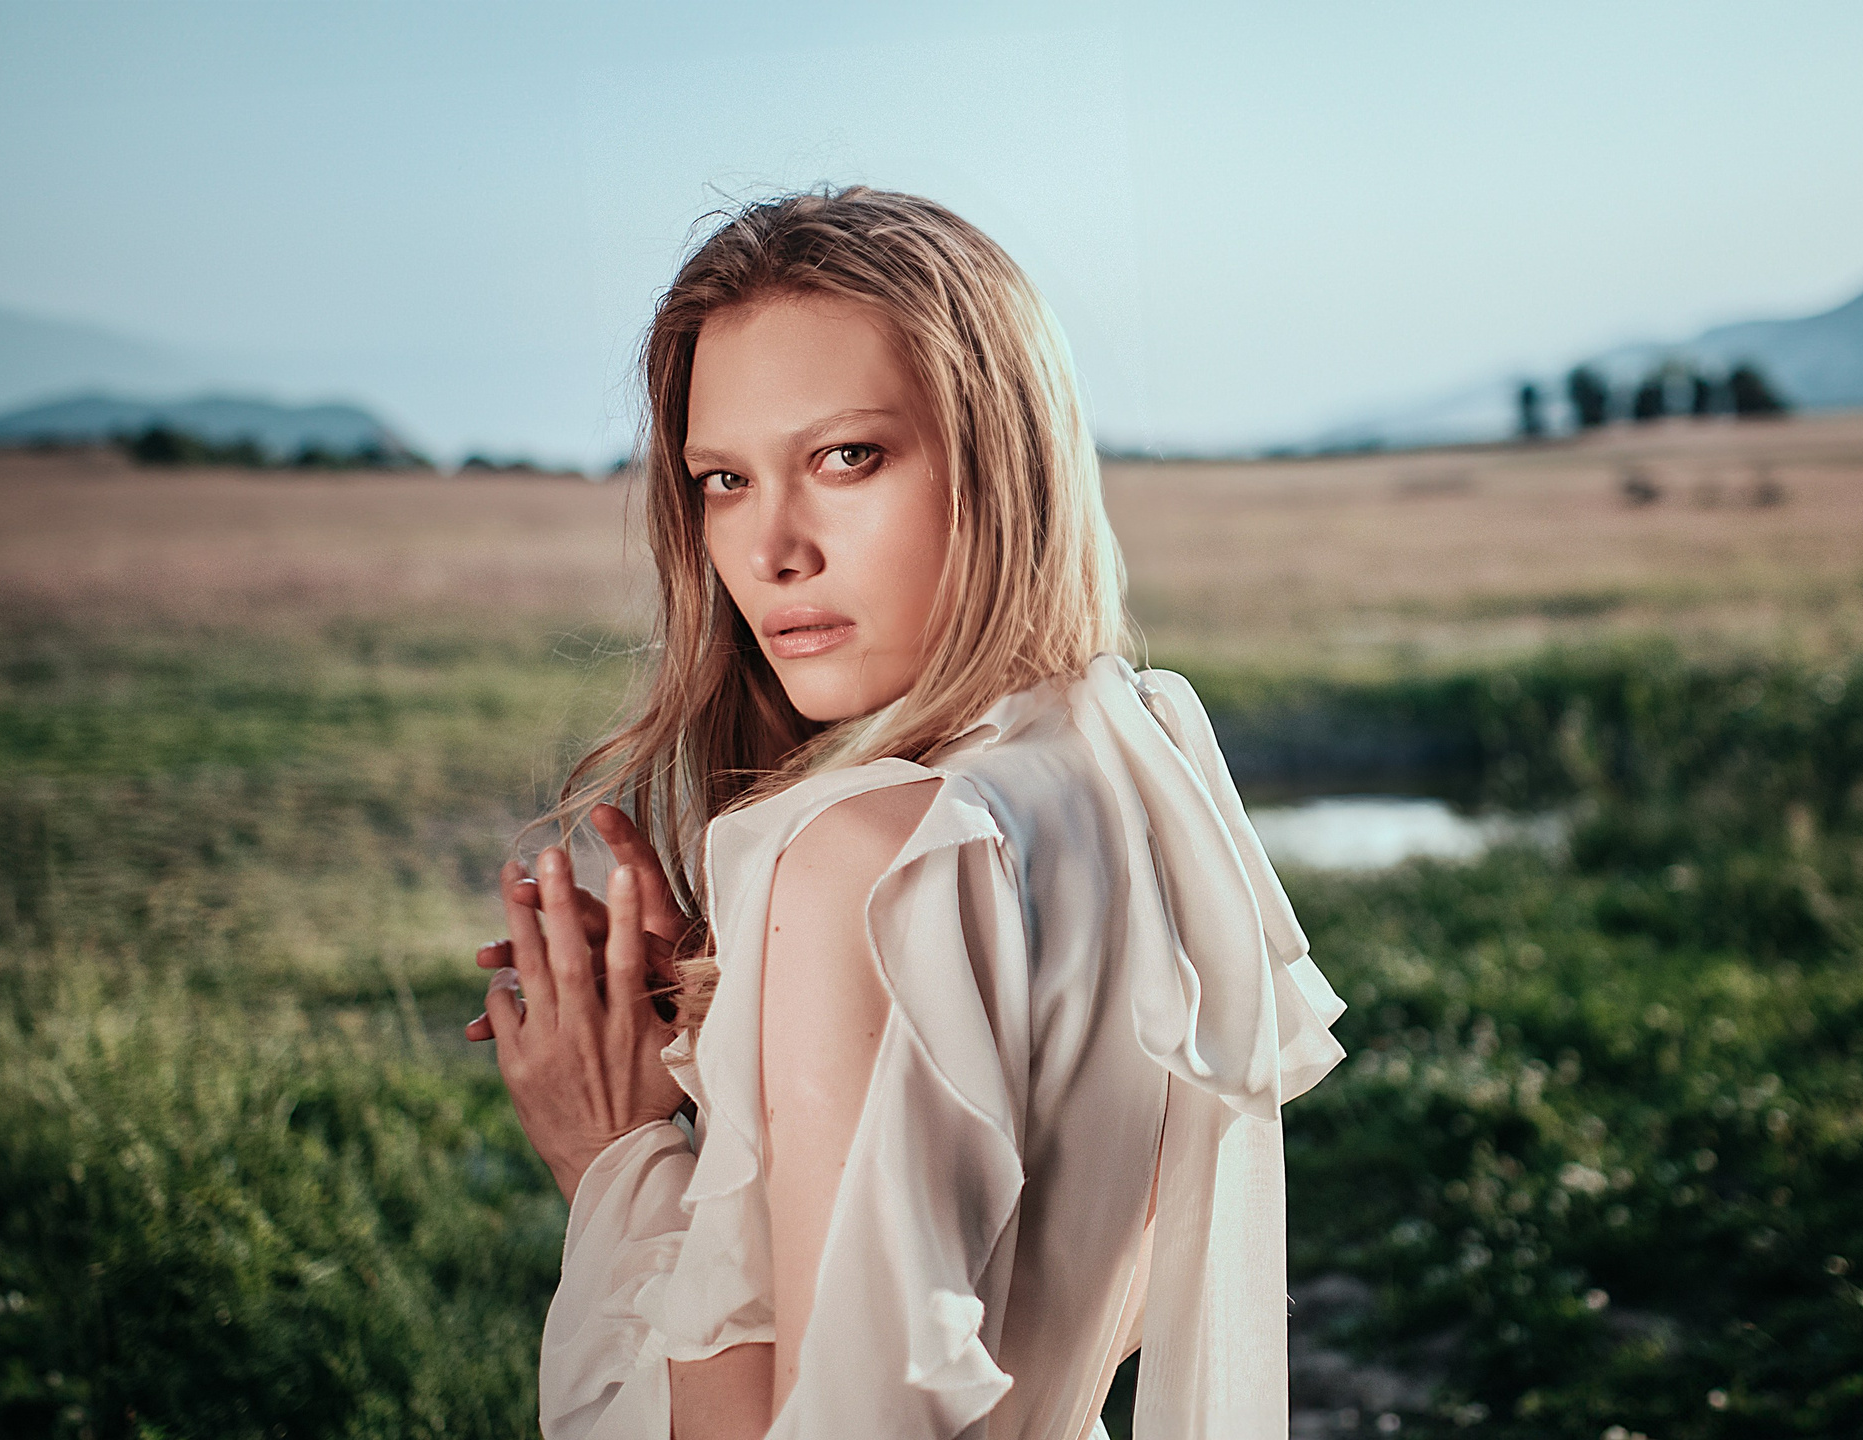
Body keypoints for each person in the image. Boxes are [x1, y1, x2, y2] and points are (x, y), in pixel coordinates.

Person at [461, 187, 1347, 1440]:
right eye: (721, 479)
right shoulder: (1131, 770)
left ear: (1002, 460)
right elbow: (1069, 1309)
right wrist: (750, 1057)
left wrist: (617, 1162)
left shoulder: (858, 861)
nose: (771, 549)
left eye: (845, 458)